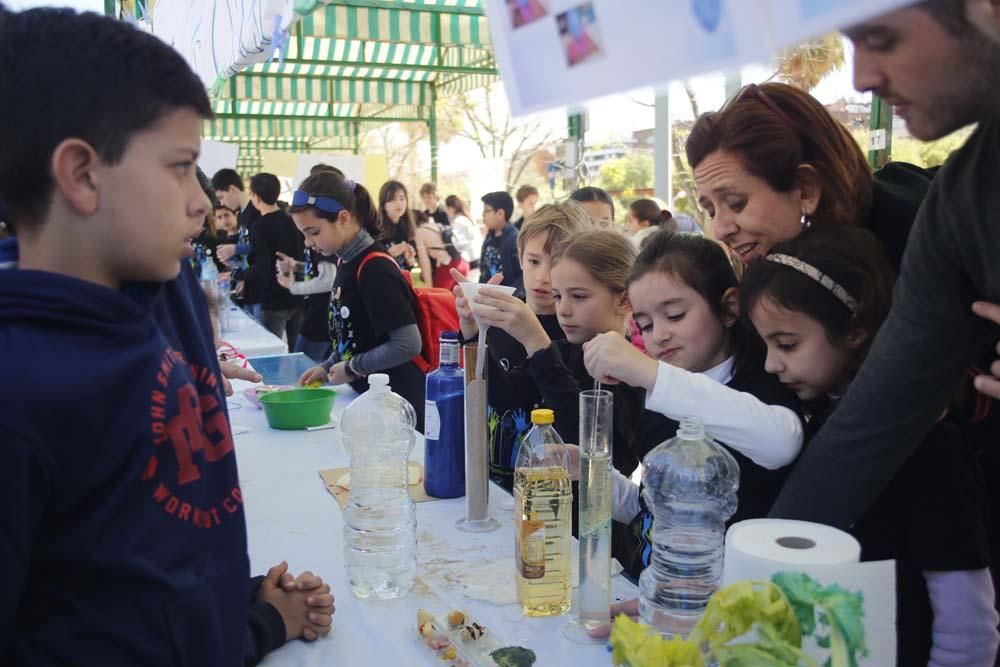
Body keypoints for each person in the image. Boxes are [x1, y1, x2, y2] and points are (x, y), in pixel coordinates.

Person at [0, 5, 332, 664]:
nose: (203, 202)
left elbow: (128, 556)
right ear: (84, 175)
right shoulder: (20, 390)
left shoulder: (170, 289)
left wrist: (244, 602)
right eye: (180, 166)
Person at [760, 0, 1000, 536]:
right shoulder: (965, 197)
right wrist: (742, 587)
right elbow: (871, 423)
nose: (862, 78)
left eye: (883, 39)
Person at [742, 225, 998, 666]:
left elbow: (968, 621)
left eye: (787, 343)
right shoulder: (804, 419)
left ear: (855, 331)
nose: (771, 363)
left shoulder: (929, 446)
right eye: (764, 344)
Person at [581, 231, 802, 579]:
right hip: (650, 590)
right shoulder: (661, 399)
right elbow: (649, 507)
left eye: (675, 315)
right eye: (646, 324)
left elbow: (780, 443)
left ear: (729, 307)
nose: (659, 335)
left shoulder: (760, 386)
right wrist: (589, 474)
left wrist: (651, 374)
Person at [452, 202, 593, 489]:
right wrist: (471, 329)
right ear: (519, 256)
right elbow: (498, 398)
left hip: (555, 503)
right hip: (497, 486)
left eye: (555, 264)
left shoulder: (581, 333)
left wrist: (535, 339)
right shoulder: (502, 314)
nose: (543, 276)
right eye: (534, 261)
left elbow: (580, 428)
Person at [293, 171, 427, 432]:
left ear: (343, 218)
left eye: (313, 232)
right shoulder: (346, 260)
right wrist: (329, 365)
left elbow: (408, 343)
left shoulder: (374, 268)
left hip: (396, 408)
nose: (308, 243)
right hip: (368, 401)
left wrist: (353, 368)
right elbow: (354, 335)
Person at [242, 173, 304, 351]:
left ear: (256, 196)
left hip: (272, 297)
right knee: (298, 352)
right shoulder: (292, 220)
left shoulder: (258, 226)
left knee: (271, 352)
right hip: (295, 292)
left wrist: (238, 274)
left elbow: (263, 266)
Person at [276, 248, 335, 363]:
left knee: (304, 364)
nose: (307, 242)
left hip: (320, 315)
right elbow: (318, 270)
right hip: (314, 310)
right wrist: (297, 266)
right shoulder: (315, 244)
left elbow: (327, 281)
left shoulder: (322, 244)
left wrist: (293, 286)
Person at [478, 191, 523, 292]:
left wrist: (512, 296)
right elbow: (484, 270)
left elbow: (522, 276)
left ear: (500, 214)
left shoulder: (515, 239)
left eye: (486, 211)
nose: (483, 215)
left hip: (506, 301)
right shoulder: (489, 237)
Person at [378, 180, 417, 270]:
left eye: (402, 198)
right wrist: (389, 253)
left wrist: (410, 259)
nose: (399, 203)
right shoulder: (375, 228)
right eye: (392, 199)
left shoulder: (408, 226)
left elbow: (410, 266)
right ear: (384, 205)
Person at [444, 194, 482, 270]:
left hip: (470, 262)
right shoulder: (467, 218)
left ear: (451, 208)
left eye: (447, 208)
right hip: (476, 259)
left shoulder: (459, 221)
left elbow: (458, 245)